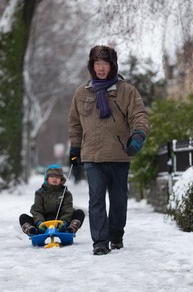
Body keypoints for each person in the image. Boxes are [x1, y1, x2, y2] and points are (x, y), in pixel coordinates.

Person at [68, 45, 150, 255]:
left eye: (105, 63)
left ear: (112, 66)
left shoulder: (126, 91)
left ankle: (116, 235)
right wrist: (75, 148)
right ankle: (100, 242)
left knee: (118, 199)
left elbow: (139, 115)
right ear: (91, 66)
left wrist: (138, 135)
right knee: (96, 199)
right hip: (92, 156)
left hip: (119, 154)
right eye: (97, 64)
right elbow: (75, 123)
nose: (101, 68)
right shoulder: (81, 93)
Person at [19, 164, 85, 237]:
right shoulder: (40, 193)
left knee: (79, 213)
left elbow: (67, 210)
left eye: (57, 177)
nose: (55, 179)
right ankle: (33, 231)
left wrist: (64, 222)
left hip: (61, 224)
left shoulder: (66, 193)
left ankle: (70, 230)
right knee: (23, 217)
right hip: (43, 224)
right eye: (52, 176)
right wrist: (39, 223)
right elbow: (37, 210)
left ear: (61, 180)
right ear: (47, 178)